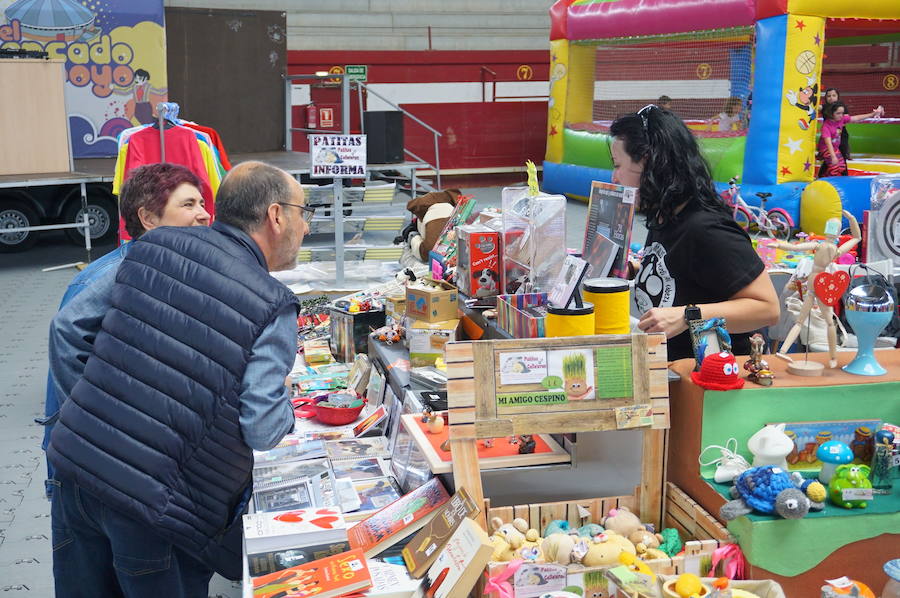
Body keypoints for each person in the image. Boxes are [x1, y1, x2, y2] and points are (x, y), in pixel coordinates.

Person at [46, 161, 312, 596]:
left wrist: (94, 420)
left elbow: (69, 326)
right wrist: (284, 399)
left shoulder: (154, 246)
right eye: (304, 212)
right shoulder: (273, 304)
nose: (305, 226)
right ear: (276, 216)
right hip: (156, 507)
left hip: (76, 473)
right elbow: (263, 429)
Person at [40, 163, 210, 500]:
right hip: (90, 470)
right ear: (148, 218)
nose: (204, 214)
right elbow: (65, 333)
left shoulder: (164, 267)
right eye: (189, 205)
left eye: (202, 204)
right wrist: (102, 433)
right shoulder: (118, 273)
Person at [610, 105, 780, 360]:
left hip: (712, 382)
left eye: (617, 165)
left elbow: (767, 309)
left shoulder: (705, 229)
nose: (614, 177)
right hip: (674, 374)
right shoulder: (665, 215)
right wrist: (633, 268)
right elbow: (680, 273)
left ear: (648, 162)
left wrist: (686, 315)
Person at [818, 100, 883, 177]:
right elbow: (828, 143)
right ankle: (826, 180)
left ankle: (824, 176)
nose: (841, 115)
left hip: (835, 148)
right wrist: (833, 156)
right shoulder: (826, 126)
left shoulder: (841, 119)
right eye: (838, 113)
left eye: (842, 113)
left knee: (842, 167)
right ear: (831, 114)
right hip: (826, 149)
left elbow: (857, 118)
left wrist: (872, 114)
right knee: (834, 167)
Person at [822, 87, 850, 162]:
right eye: (829, 96)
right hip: (828, 134)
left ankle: (844, 158)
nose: (831, 98)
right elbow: (817, 108)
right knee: (827, 154)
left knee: (842, 151)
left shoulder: (841, 107)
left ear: (838, 97)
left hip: (840, 133)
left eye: (834, 95)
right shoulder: (824, 107)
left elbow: (846, 119)